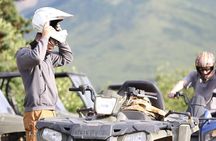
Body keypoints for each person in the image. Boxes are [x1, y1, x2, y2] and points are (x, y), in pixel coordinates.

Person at [16, 7, 73, 141]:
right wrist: (46, 36)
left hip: (51, 110)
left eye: (55, 41)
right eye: (51, 41)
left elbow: (67, 58)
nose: (53, 44)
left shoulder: (49, 57)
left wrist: (60, 38)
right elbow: (36, 57)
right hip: (35, 112)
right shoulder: (23, 54)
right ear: (41, 36)